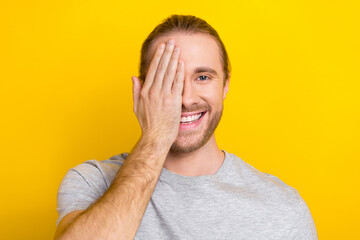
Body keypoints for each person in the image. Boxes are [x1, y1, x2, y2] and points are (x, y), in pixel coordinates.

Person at [54, 14, 318, 240]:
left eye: (203, 77)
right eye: (169, 79)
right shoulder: (92, 181)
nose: (186, 98)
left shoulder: (282, 209)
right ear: (142, 90)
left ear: (225, 85)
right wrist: (157, 136)